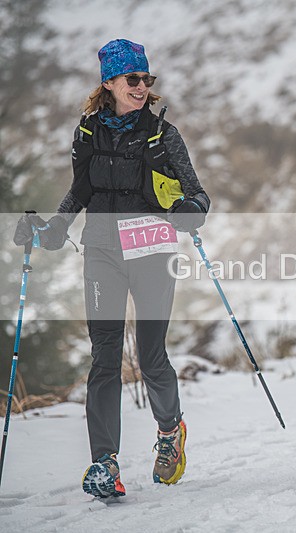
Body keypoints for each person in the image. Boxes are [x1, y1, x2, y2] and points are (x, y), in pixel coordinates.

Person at [14, 39, 210, 497]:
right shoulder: (86, 135)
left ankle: (168, 434)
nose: (141, 87)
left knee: (149, 354)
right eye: (132, 79)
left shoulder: (164, 135)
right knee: (104, 358)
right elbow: (80, 191)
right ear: (109, 82)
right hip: (101, 250)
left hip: (152, 251)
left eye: (146, 79)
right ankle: (104, 463)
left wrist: (189, 208)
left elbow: (198, 195)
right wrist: (50, 229)